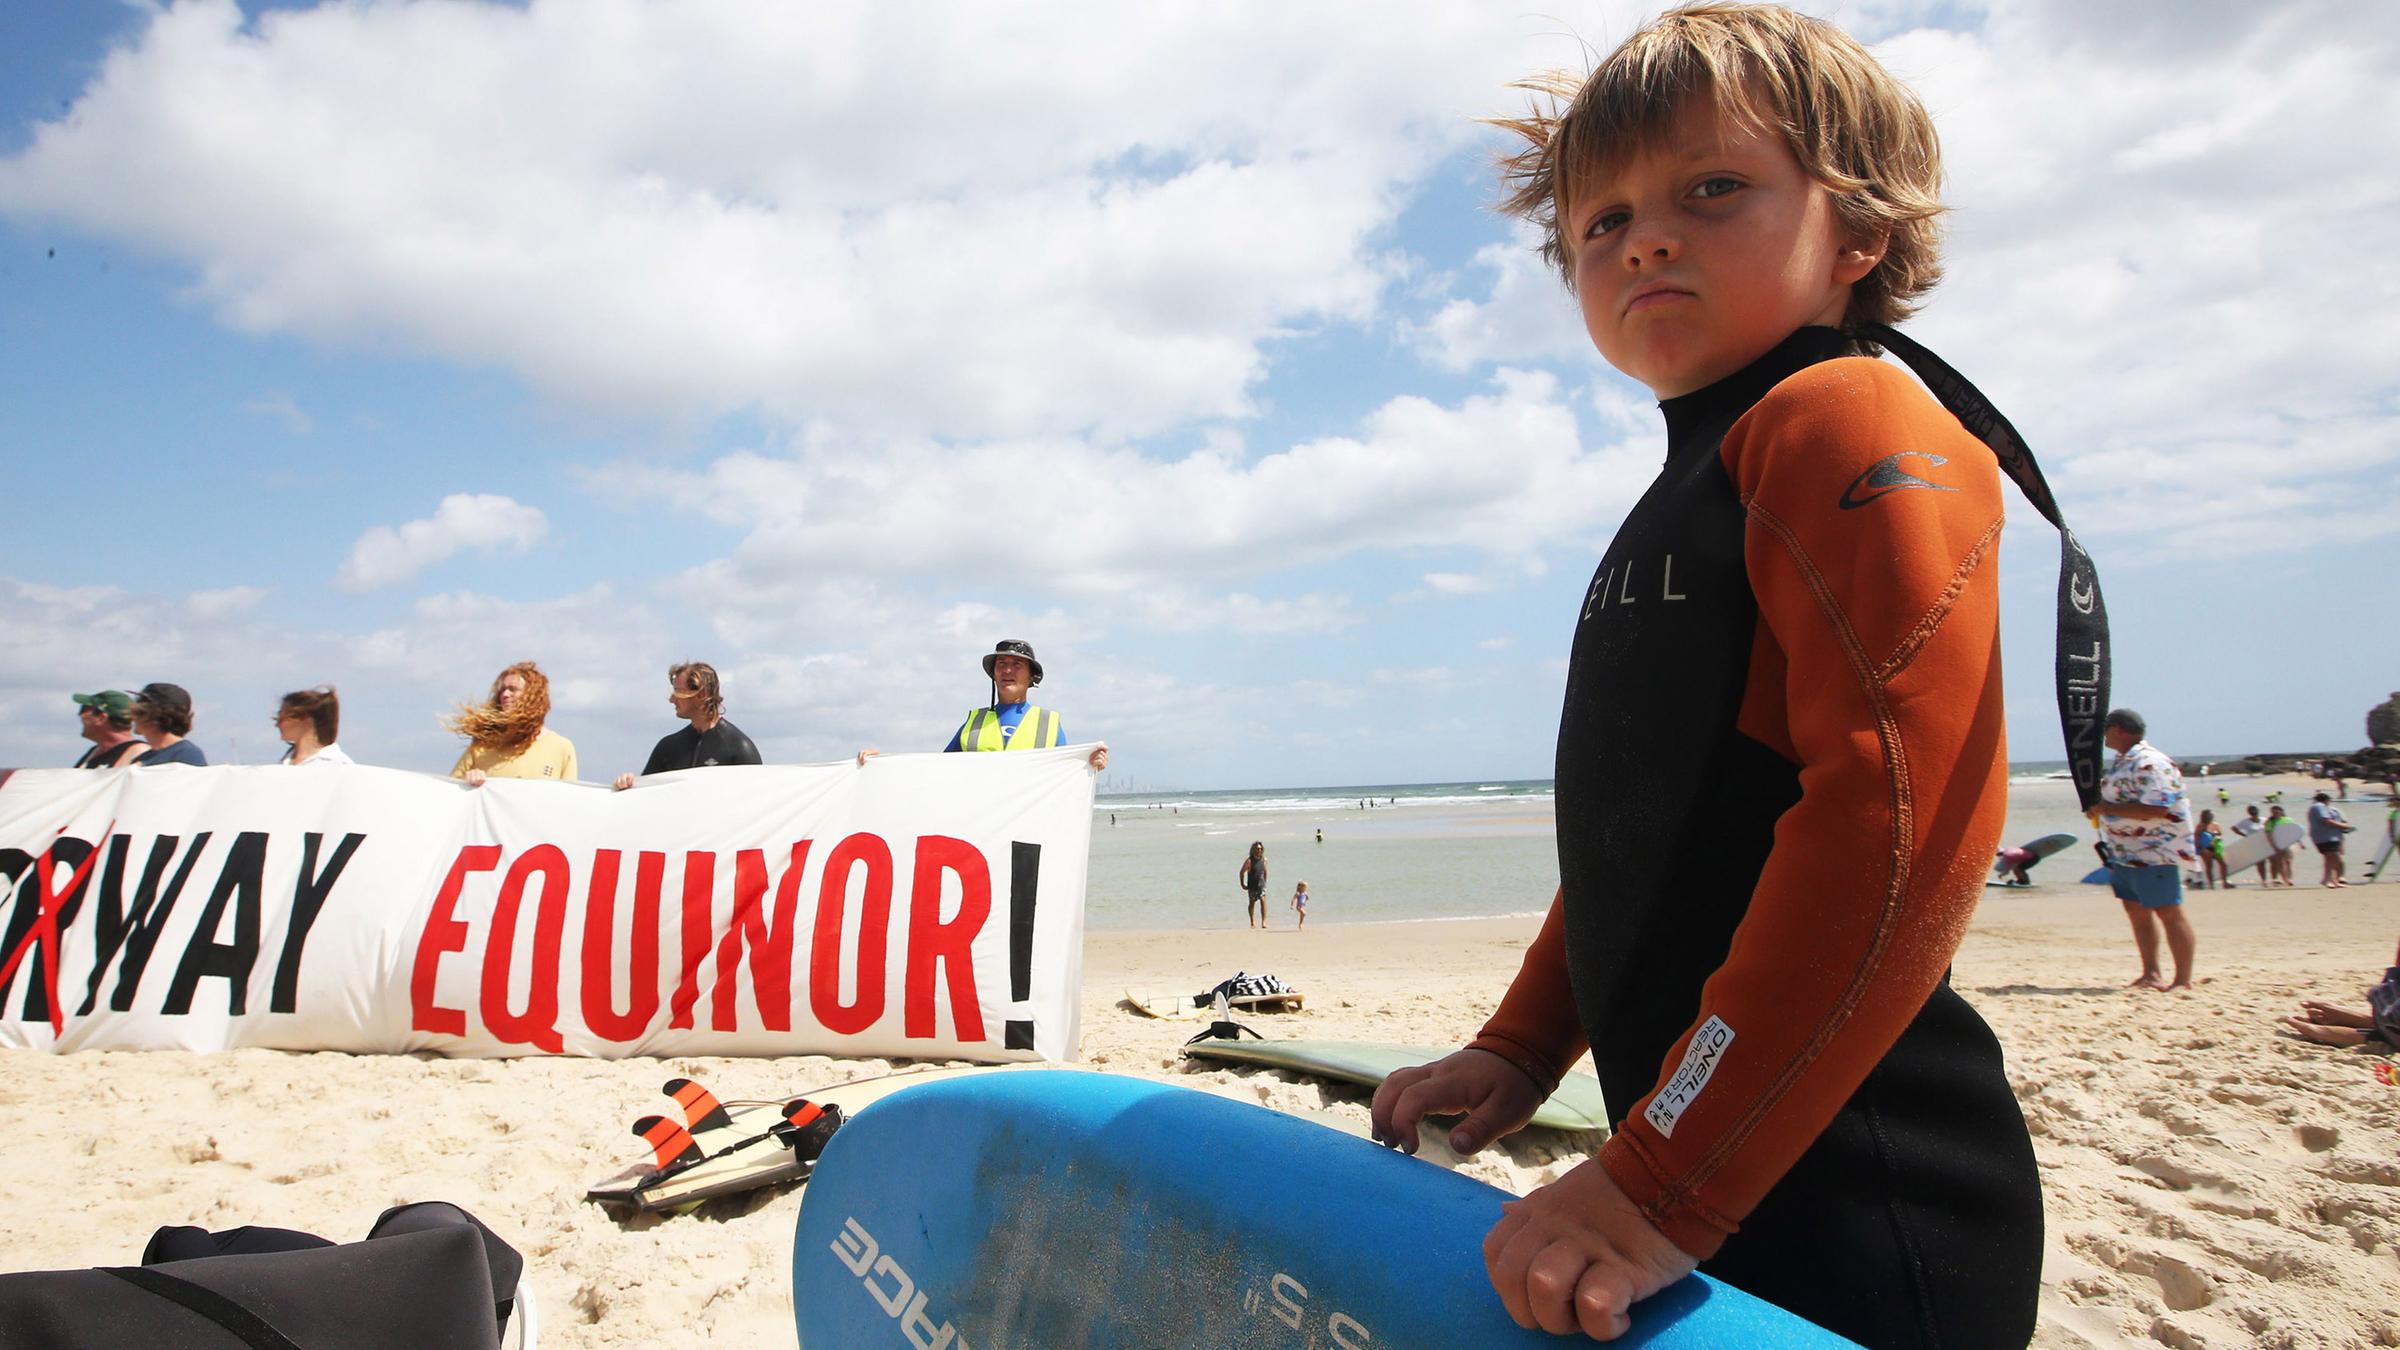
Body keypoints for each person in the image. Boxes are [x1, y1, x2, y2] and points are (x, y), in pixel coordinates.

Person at [1369, 9, 2054, 1343]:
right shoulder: (1703, 476)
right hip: (1725, 1179)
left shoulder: (1845, 417)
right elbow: (1654, 831)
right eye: (1601, 221)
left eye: (1713, 189)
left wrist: (1657, 1182)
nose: (1646, 238)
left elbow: (1899, 825)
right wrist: (1521, 1045)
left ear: (1859, 232)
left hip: (1867, 1196)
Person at [857, 639, 1107, 771]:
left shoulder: (1048, 724)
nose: (1008, 670)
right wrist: (883, 763)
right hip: (981, 832)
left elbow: (1066, 774)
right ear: (993, 673)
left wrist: (1091, 763)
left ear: (1032, 677)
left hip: (1028, 829)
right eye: (1002, 664)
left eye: (1017, 665)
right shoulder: (974, 723)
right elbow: (935, 769)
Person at [2096, 709, 2196, 992]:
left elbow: (2157, 807)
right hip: (2125, 850)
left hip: (2154, 851)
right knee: (2136, 910)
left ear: (2118, 729)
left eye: (2106, 730)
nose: (2103, 736)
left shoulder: (2149, 762)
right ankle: (2151, 972)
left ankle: (2182, 979)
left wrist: (2108, 809)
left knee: (2168, 911)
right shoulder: (2122, 762)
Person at [613, 661, 760, 790]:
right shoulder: (668, 747)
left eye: (677, 691)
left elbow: (761, 801)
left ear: (701, 695)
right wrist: (627, 785)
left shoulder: (739, 747)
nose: (671, 699)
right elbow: (643, 797)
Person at [446, 661, 575, 785]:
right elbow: (451, 790)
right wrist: (467, 781)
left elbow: (569, 801)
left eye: (513, 689)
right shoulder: (482, 745)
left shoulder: (561, 747)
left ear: (533, 695)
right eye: (502, 690)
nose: (505, 694)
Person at [130, 683, 207, 766]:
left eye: (139, 712)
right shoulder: (143, 758)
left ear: (150, 716)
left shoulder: (187, 754)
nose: (133, 717)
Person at [274, 686, 353, 766]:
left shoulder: (339, 763)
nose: (277, 724)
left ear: (303, 717)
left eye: (281, 717)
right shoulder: (284, 762)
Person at [70, 690, 145, 768]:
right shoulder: (93, 753)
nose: (80, 715)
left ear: (101, 718)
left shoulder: (140, 753)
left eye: (84, 710)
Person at [2306, 791, 2355, 887]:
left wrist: (2343, 827)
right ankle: (2327, 879)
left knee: (2330, 858)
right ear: (2327, 800)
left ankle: (2332, 880)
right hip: (2326, 837)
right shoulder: (2319, 806)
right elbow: (2326, 820)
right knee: (2333, 856)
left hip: (2328, 836)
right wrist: (2344, 826)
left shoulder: (2322, 808)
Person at [2228, 805, 2265, 885]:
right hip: (2253, 843)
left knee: (2271, 861)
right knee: (2260, 862)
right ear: (2249, 813)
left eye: (2255, 812)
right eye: (2251, 812)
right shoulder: (2245, 821)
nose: (2254, 814)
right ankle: (2263, 880)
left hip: (2264, 842)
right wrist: (2244, 835)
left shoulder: (2264, 820)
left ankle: (2274, 879)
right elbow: (2233, 828)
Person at [2266, 804, 2299, 887]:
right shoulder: (2270, 822)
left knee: (2288, 862)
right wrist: (2273, 846)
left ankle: (2290, 879)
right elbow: (2269, 835)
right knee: (2279, 863)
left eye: (2277, 811)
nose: (2275, 813)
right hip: (2277, 844)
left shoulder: (2288, 819)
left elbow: (2294, 831)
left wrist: (2299, 842)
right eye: (2273, 812)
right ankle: (2285, 880)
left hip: (2288, 843)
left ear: (2281, 811)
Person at [2193, 809, 2227, 889]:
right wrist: (2199, 848)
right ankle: (2211, 884)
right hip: (2205, 848)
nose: (2212, 816)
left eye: (2212, 815)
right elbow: (2196, 836)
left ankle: (2224, 882)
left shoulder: (2216, 825)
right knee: (2209, 866)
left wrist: (2218, 837)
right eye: (2210, 815)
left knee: (2224, 864)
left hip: (2215, 846)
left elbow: (2220, 835)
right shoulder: (2201, 825)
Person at [1239, 842, 1268, 929]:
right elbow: (1241, 872)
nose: (1259, 850)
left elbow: (1265, 871)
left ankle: (1264, 922)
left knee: (1263, 901)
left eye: (1260, 848)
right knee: (1252, 903)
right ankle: (1252, 921)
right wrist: (1242, 884)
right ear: (1253, 850)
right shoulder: (1249, 861)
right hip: (1252, 886)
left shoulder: (1264, 860)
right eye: (1257, 848)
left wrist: (1265, 882)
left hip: (1261, 885)